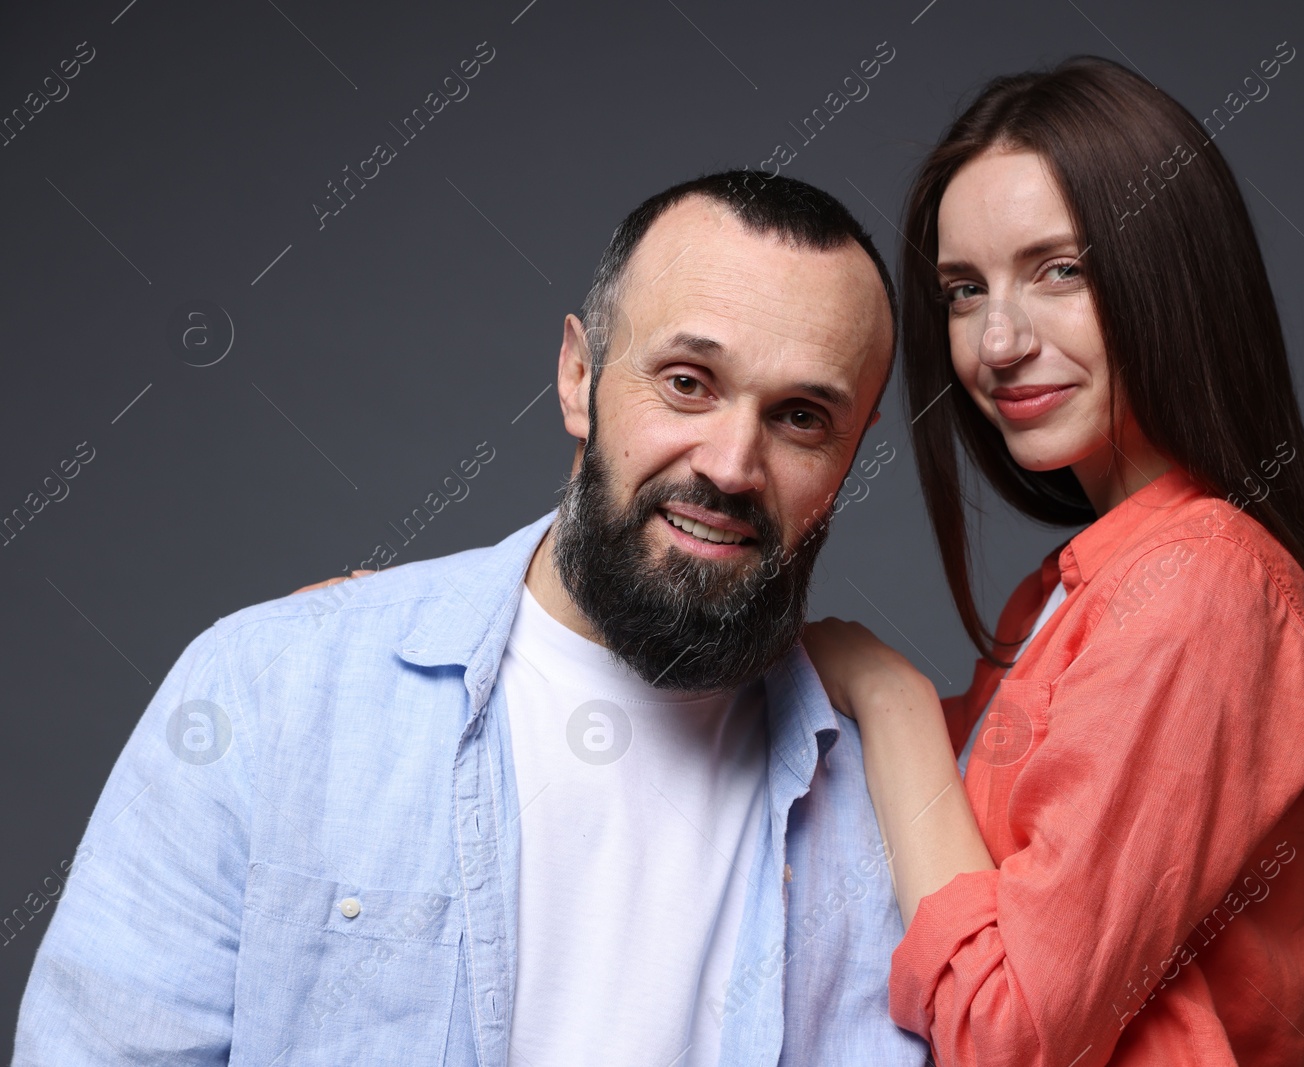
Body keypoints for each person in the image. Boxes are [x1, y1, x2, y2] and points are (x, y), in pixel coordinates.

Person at [13, 172, 929, 1067]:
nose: (731, 464)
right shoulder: (272, 689)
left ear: (851, 454)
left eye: (802, 417)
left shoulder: (902, 806)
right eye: (688, 381)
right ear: (579, 377)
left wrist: (897, 707)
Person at [803, 56, 1304, 1066]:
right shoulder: (1081, 593)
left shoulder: (1202, 584)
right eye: (961, 289)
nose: (996, 340)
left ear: (1173, 271)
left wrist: (886, 693)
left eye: (1059, 270)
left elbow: (1011, 1032)